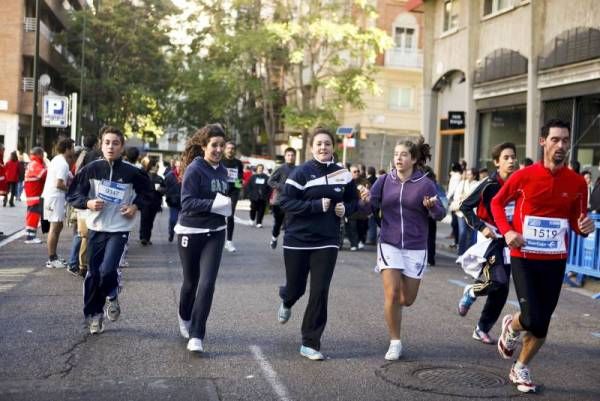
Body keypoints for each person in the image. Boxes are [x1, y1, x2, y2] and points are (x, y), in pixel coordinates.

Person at [491, 119, 595, 393]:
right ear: (543, 142)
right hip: (523, 255)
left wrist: (585, 227)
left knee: (542, 320)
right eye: (555, 140)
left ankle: (520, 366)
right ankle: (512, 326)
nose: (561, 146)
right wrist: (508, 231)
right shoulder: (523, 176)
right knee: (533, 316)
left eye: (565, 141)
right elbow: (497, 203)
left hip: (555, 259)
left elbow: (577, 220)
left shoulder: (576, 183)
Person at [277, 128, 360, 361]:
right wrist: (315, 206)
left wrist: (347, 209)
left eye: (327, 144)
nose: (323, 147)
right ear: (311, 148)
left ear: (334, 147)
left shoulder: (343, 174)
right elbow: (284, 201)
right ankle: (287, 299)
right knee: (296, 288)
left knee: (320, 290)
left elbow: (354, 201)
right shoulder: (301, 172)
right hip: (297, 239)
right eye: (319, 144)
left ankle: (310, 342)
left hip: (327, 240)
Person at [67, 126, 152, 335]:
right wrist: (87, 203)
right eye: (107, 142)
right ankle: (95, 316)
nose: (111, 146)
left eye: (115, 143)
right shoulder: (91, 169)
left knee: (107, 270)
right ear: (101, 144)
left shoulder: (133, 172)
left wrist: (135, 206)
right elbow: (72, 195)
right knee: (93, 274)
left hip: (119, 229)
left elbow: (149, 194)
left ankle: (112, 296)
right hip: (96, 227)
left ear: (122, 147)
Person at [367, 137, 445, 360]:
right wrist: (362, 200)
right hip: (389, 243)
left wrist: (432, 207)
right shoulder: (384, 181)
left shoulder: (425, 184)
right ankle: (395, 342)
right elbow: (368, 207)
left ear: (413, 159)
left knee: (406, 299)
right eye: (395, 154)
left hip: (415, 246)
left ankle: (397, 305)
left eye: (403, 155)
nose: (398, 158)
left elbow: (441, 213)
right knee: (391, 295)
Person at [175, 124, 232, 353]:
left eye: (222, 145)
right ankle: (184, 317)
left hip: (215, 232)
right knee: (191, 283)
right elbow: (187, 202)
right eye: (214, 145)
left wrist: (225, 206)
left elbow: (223, 196)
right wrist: (214, 204)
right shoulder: (195, 169)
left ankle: (197, 334)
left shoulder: (223, 171)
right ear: (204, 146)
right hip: (190, 231)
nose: (218, 149)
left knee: (207, 284)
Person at [456, 142, 518, 344]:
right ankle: (472, 290)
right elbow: (464, 207)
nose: (511, 161)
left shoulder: (518, 183)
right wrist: (482, 227)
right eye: (506, 157)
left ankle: (481, 328)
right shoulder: (488, 184)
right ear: (496, 162)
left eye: (513, 157)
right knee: (496, 280)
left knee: (502, 290)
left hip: (510, 239)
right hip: (491, 237)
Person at [42, 138, 75, 268]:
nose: (73, 150)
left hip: (53, 197)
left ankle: (53, 256)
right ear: (67, 149)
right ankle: (52, 258)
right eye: (72, 147)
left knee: (58, 226)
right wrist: (70, 189)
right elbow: (59, 183)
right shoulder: (63, 164)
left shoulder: (57, 159)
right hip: (55, 197)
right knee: (55, 228)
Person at [268, 147, 296, 249]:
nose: (290, 157)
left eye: (292, 155)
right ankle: (274, 238)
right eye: (288, 155)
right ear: (285, 157)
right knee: (278, 224)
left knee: (290, 223)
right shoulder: (280, 169)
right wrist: (282, 187)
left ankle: (288, 244)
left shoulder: (298, 169)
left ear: (295, 157)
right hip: (279, 201)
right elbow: (270, 181)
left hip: (293, 201)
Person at [221, 141, 244, 252]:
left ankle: (229, 242)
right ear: (225, 149)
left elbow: (240, 177)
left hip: (233, 192)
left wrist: (238, 189)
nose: (230, 150)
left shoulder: (238, 163)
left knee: (230, 216)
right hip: (221, 191)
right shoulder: (220, 161)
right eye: (228, 148)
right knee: (219, 216)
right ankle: (217, 240)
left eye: (232, 148)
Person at [138, 157, 165, 246]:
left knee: (150, 221)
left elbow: (165, 189)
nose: (156, 168)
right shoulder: (145, 176)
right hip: (145, 202)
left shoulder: (160, 178)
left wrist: (161, 190)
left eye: (157, 167)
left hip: (155, 202)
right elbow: (140, 188)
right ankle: (143, 237)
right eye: (154, 166)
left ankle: (147, 238)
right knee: (144, 219)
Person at [23, 147, 47, 244]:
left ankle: (30, 235)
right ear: (38, 154)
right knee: (33, 215)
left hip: (32, 194)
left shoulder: (32, 163)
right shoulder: (36, 164)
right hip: (35, 195)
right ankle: (30, 237)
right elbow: (43, 174)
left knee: (32, 215)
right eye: (42, 154)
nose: (43, 156)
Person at [456, 168, 480, 256]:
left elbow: (475, 197)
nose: (467, 176)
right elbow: (457, 195)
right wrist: (465, 197)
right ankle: (461, 254)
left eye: (470, 174)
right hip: (461, 212)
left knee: (471, 234)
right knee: (462, 233)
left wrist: (466, 197)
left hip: (472, 212)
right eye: (467, 174)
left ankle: (469, 254)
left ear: (474, 176)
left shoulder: (478, 184)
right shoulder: (462, 183)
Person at [346, 165, 370, 251]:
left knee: (362, 228)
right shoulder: (347, 182)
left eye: (358, 171)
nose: (357, 173)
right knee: (351, 227)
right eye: (354, 171)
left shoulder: (364, 181)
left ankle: (361, 241)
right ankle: (354, 243)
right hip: (352, 209)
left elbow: (370, 194)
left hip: (362, 210)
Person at [164, 160, 182, 242]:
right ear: (175, 166)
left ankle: (182, 237)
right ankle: (171, 233)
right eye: (178, 166)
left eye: (181, 166)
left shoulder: (186, 175)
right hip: (173, 202)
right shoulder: (170, 176)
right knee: (173, 220)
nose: (179, 168)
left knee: (184, 221)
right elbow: (166, 189)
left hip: (183, 202)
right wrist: (168, 199)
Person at [447, 162, 463, 248]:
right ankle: (457, 241)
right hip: (455, 200)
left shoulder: (456, 176)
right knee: (455, 223)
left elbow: (452, 188)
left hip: (455, 201)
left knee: (455, 223)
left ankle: (457, 242)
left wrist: (447, 197)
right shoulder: (457, 175)